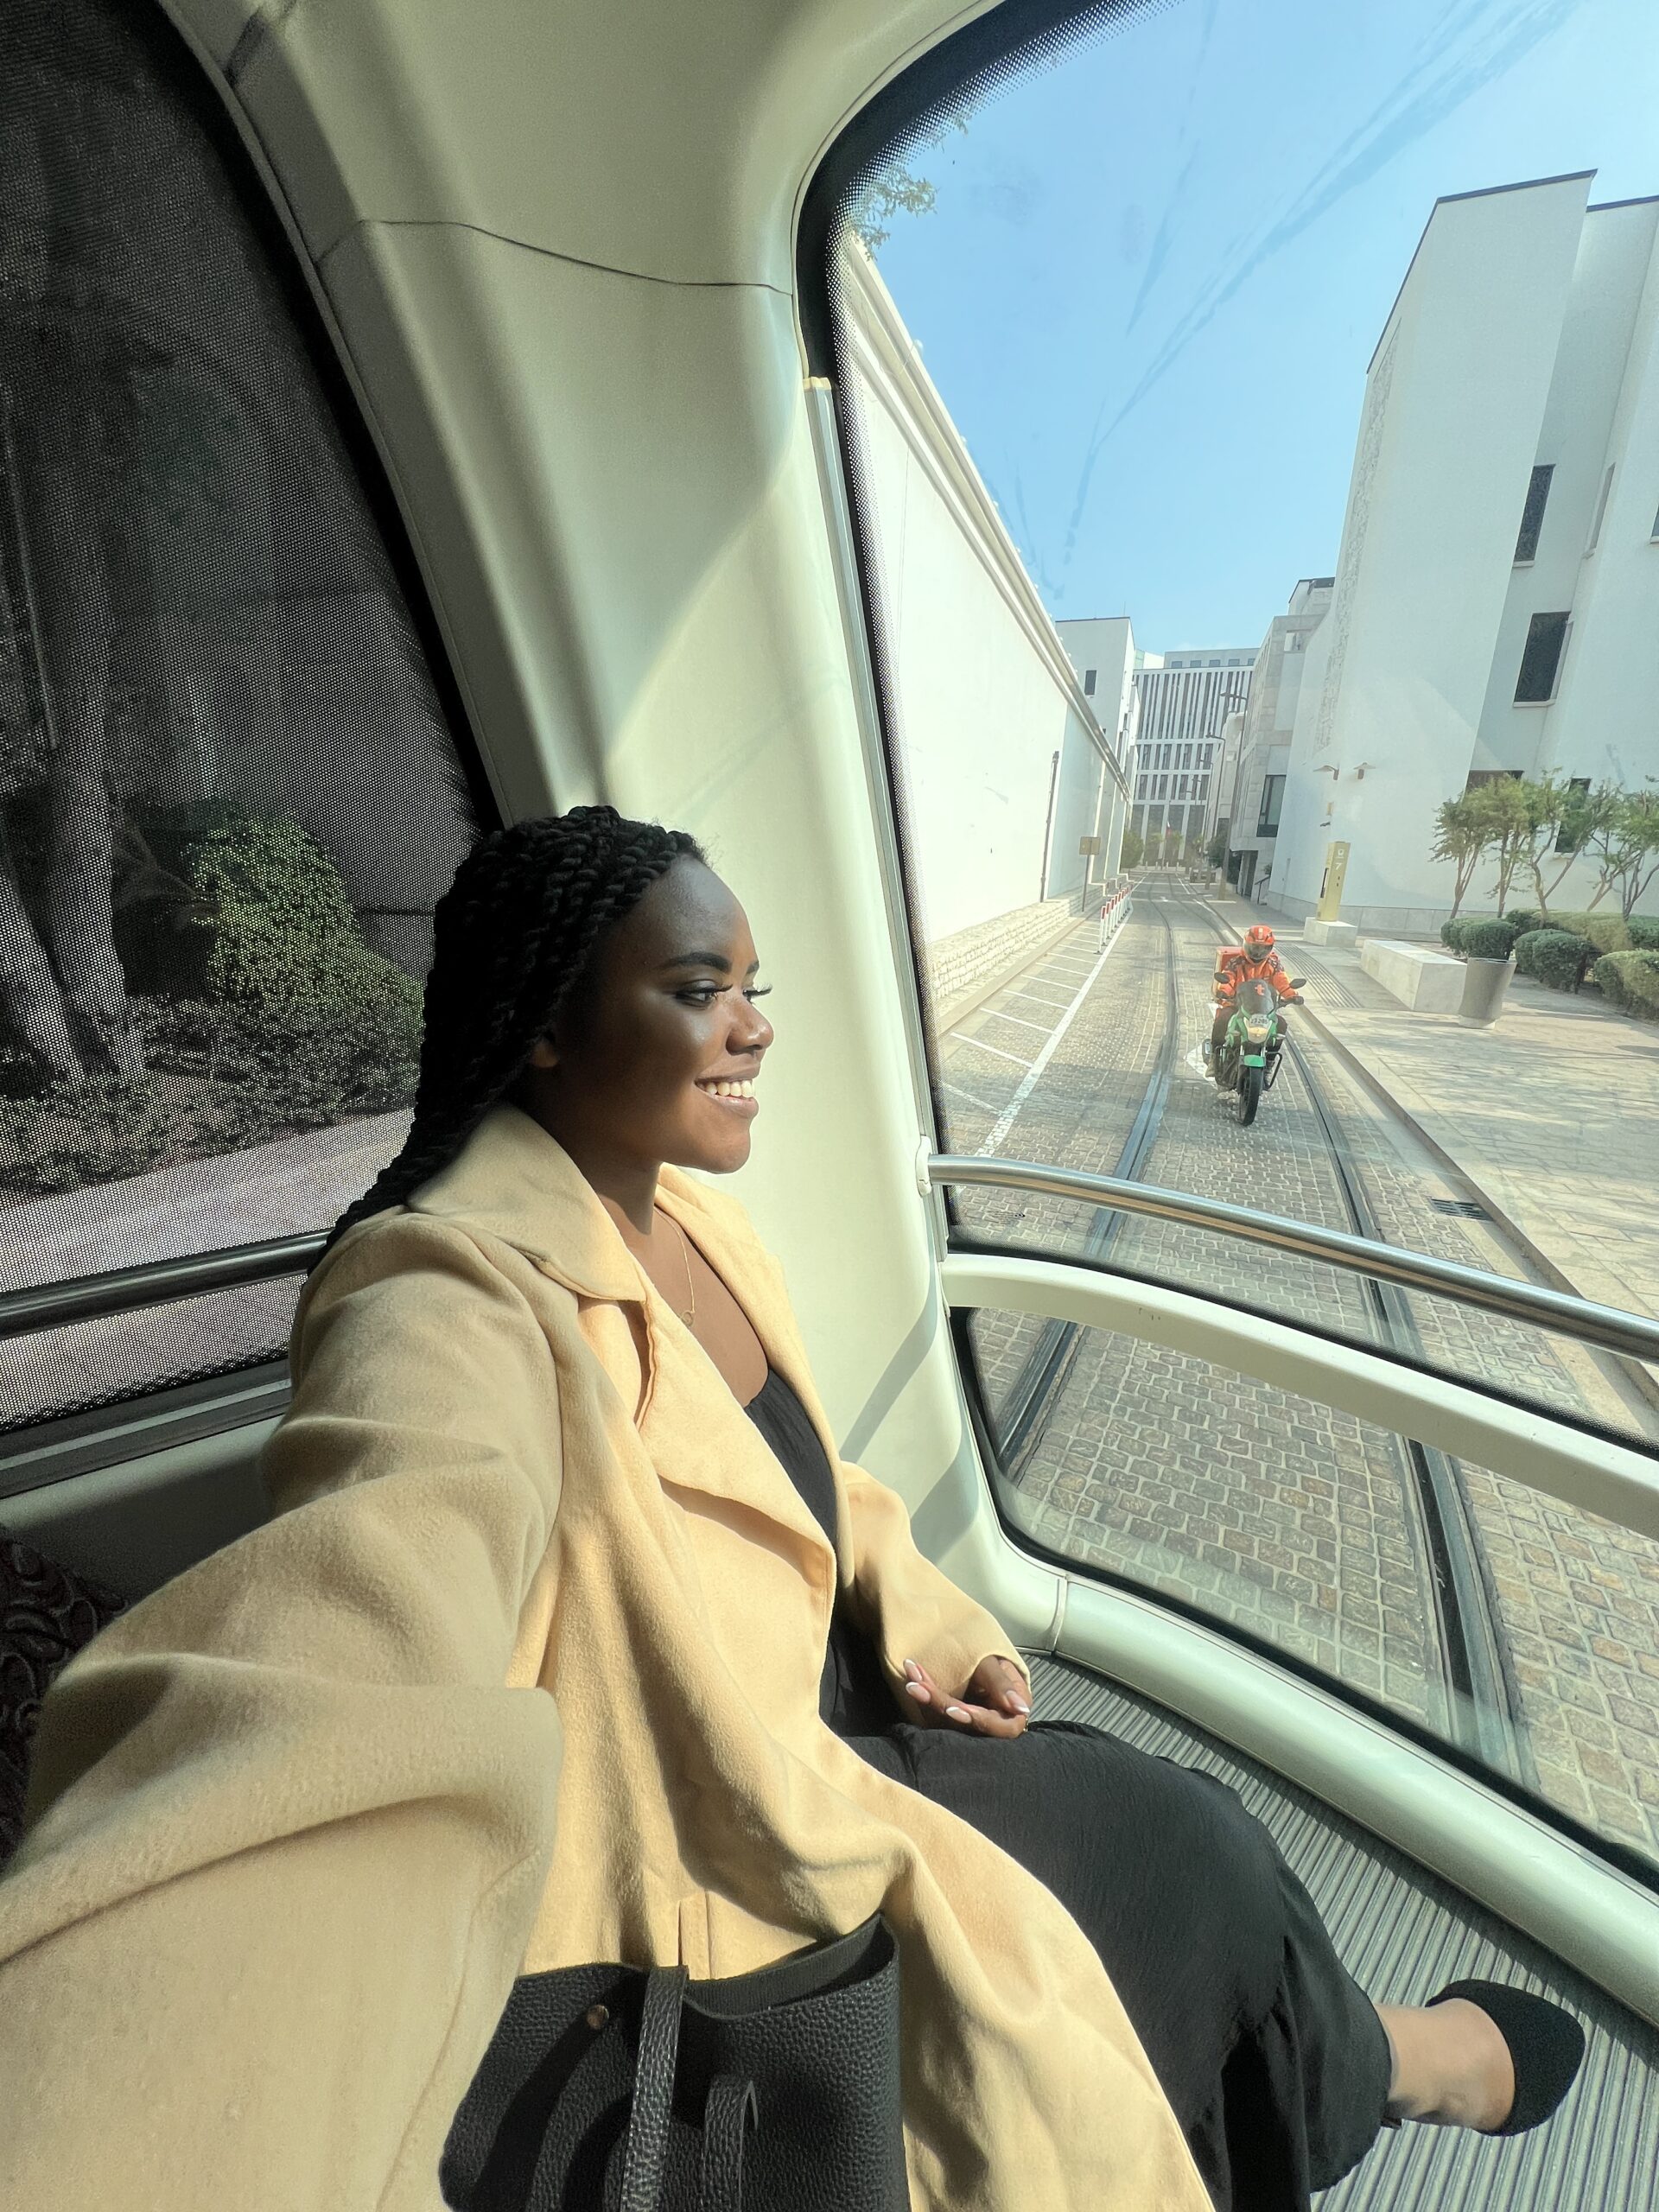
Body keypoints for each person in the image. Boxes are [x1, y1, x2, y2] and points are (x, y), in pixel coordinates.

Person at [0, 810, 1585, 2212]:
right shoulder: (442, 1296)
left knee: (1158, 1825)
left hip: (837, 1716)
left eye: (756, 987)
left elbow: (805, 1484)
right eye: (699, 991)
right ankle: (1393, 2068)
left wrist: (926, 1607)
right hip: (724, 1835)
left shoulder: (681, 1211)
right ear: (546, 1028)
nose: (753, 1029)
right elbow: (353, 1632)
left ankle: (1349, 2065)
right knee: (1187, 1858)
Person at [1208, 922, 1301, 1078]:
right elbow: (1228, 978)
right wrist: (1223, 991)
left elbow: (1282, 982)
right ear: (1246, 945)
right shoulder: (1236, 962)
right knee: (1222, 1020)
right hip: (1237, 1006)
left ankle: (1269, 1062)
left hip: (1264, 1010)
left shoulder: (1273, 964)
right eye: (1254, 948)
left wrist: (1292, 995)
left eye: (1262, 949)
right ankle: (1214, 1059)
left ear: (1269, 949)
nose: (1257, 953)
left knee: (1281, 1025)